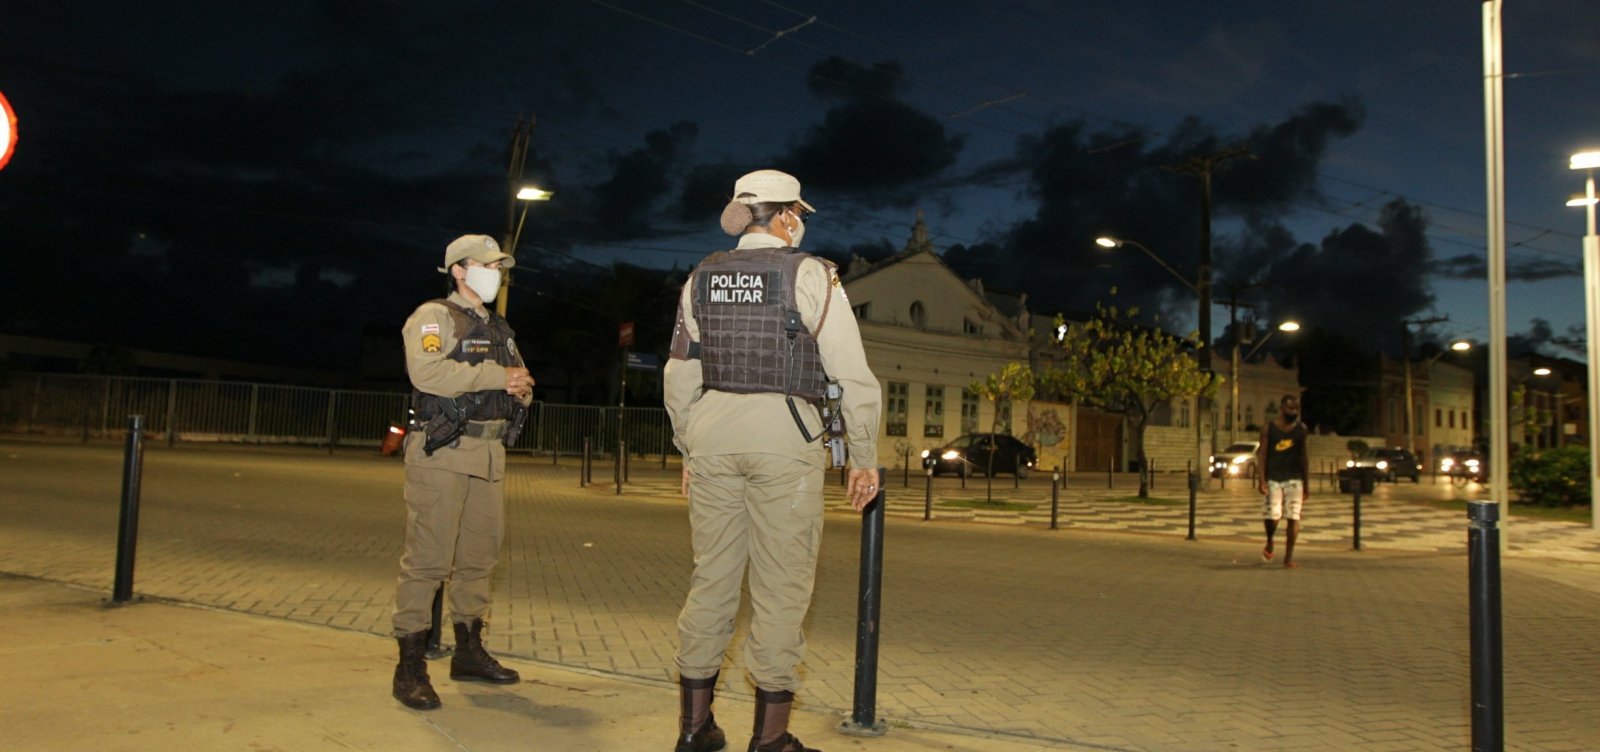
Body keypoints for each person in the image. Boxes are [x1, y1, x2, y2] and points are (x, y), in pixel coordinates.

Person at [663, 169, 881, 752]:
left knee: (712, 578)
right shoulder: (811, 273)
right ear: (784, 216)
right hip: (785, 441)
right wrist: (864, 457)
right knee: (781, 586)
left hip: (712, 436)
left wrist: (690, 446)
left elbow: (680, 372)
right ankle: (771, 738)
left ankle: (694, 728)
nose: (802, 224)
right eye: (799, 214)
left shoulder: (701, 276)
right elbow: (852, 375)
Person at [391, 234, 535, 710]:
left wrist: (522, 389)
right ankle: (410, 665)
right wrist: (498, 377)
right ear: (459, 269)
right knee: (429, 558)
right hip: (444, 450)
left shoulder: (499, 327)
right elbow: (426, 373)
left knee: (479, 557)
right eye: (487, 264)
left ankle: (468, 651)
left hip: (490, 453)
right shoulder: (434, 317)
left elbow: (520, 377)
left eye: (499, 266)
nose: (495, 272)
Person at [1256, 394, 1310, 568]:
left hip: (1294, 479)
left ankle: (1288, 557)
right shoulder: (1269, 428)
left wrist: (1307, 483)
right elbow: (1262, 454)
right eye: (1290, 408)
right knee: (1273, 515)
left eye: (1296, 409)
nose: (1293, 412)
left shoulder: (1301, 430)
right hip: (1274, 478)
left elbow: (1304, 456)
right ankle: (1270, 540)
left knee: (1293, 517)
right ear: (1282, 409)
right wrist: (1261, 479)